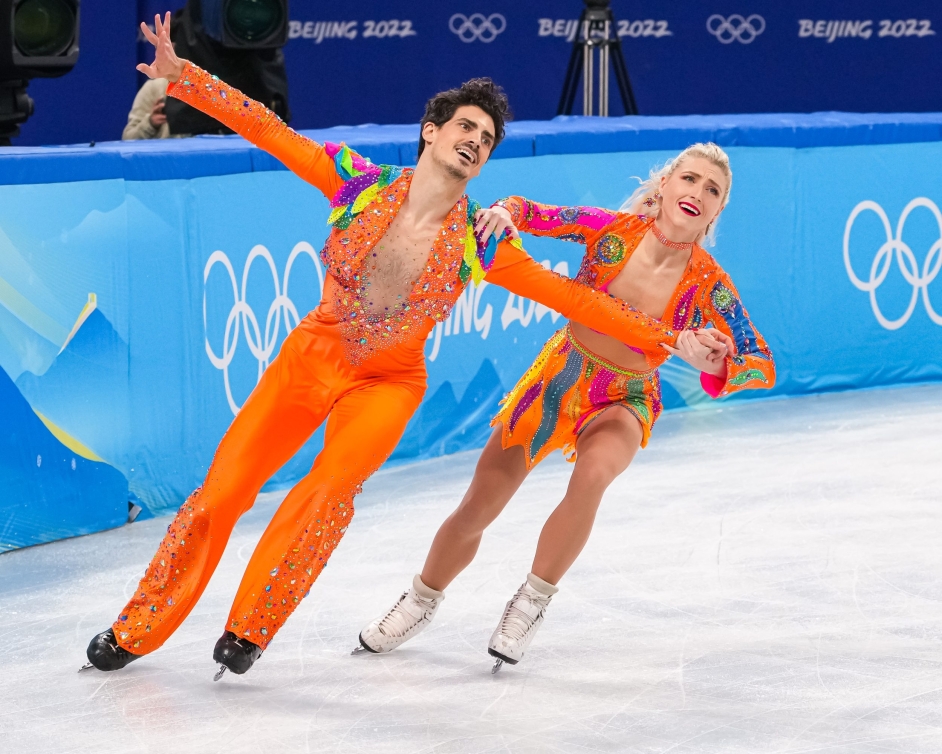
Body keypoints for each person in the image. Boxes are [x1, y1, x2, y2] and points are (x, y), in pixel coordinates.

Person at [83, 13, 679, 679]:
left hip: (389, 383)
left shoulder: (483, 242)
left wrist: (668, 335)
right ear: (431, 132)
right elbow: (271, 131)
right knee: (222, 491)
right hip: (313, 355)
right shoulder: (357, 182)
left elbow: (574, 299)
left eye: (486, 140)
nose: (475, 143)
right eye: (466, 128)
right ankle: (139, 627)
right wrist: (185, 78)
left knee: (330, 490)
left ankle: (253, 625)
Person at [358, 143, 775, 672]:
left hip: (626, 397)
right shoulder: (611, 230)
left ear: (718, 211)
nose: (697, 193)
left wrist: (710, 362)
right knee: (479, 505)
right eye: (690, 180)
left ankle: (530, 603)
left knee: (594, 475)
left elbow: (759, 362)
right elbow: (531, 211)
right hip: (558, 379)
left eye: (712, 190)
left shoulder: (710, 285)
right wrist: (506, 213)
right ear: (666, 184)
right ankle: (420, 600)